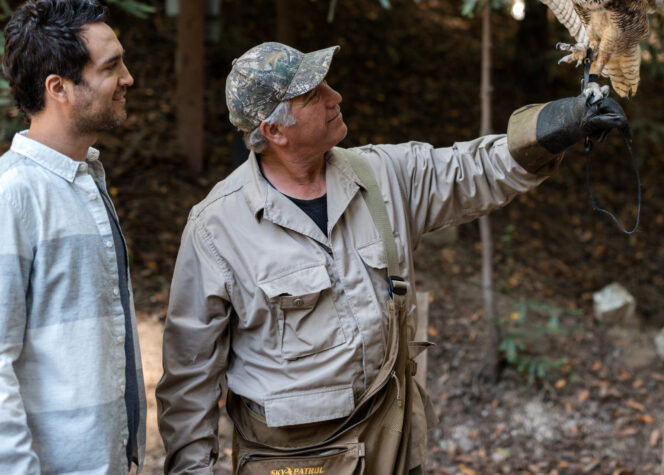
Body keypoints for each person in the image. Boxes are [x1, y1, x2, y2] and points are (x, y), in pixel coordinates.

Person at [156, 41, 628, 474]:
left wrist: (558, 125)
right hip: (292, 461)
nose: (335, 96)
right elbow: (189, 379)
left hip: (393, 442)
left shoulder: (381, 174)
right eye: (314, 95)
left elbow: (472, 169)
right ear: (274, 130)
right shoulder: (217, 229)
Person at [0, 0, 144, 473]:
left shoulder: (87, 180)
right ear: (58, 88)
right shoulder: (14, 196)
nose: (128, 78)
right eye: (112, 67)